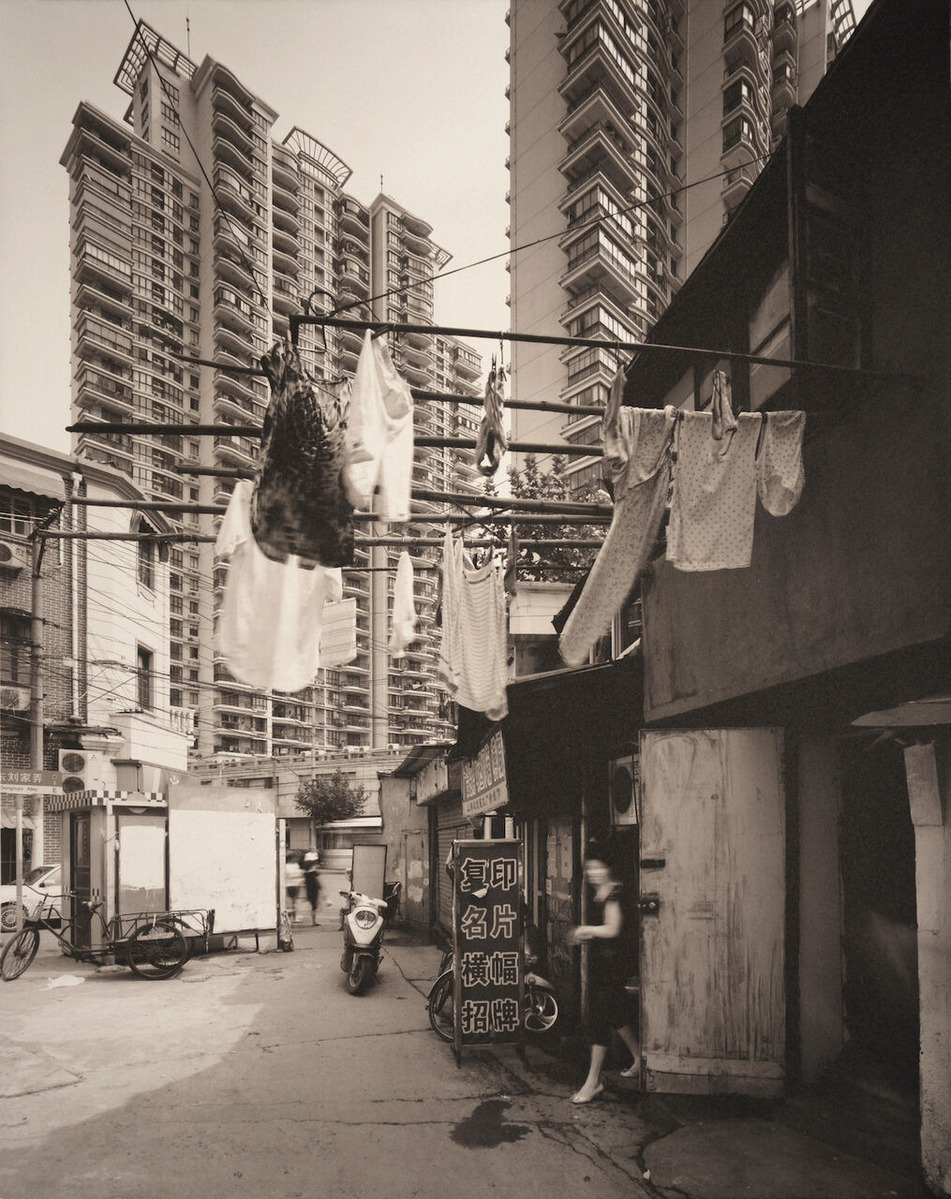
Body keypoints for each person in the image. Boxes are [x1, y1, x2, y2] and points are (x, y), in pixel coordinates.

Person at [568, 838, 639, 1104]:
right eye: (590, 869)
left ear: (609, 868)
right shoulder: (602, 890)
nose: (594, 873)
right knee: (616, 1013)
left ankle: (593, 1081)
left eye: (599, 868)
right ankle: (640, 1057)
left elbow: (613, 929)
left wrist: (586, 930)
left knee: (599, 1021)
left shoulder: (615, 892)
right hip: (604, 964)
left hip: (614, 966)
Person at [302, 849, 321, 925]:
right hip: (314, 891)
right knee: (314, 906)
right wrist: (320, 888)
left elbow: (305, 884)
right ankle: (314, 921)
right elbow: (317, 882)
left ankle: (314, 921)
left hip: (308, 891)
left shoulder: (306, 874)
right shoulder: (313, 873)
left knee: (314, 906)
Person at [285, 851, 304, 923]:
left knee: (295, 902)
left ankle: (294, 916)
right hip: (290, 885)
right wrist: (299, 873)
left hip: (297, 885)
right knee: (291, 902)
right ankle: (291, 917)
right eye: (296, 858)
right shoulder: (287, 866)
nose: (297, 859)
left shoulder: (296, 865)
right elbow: (290, 875)